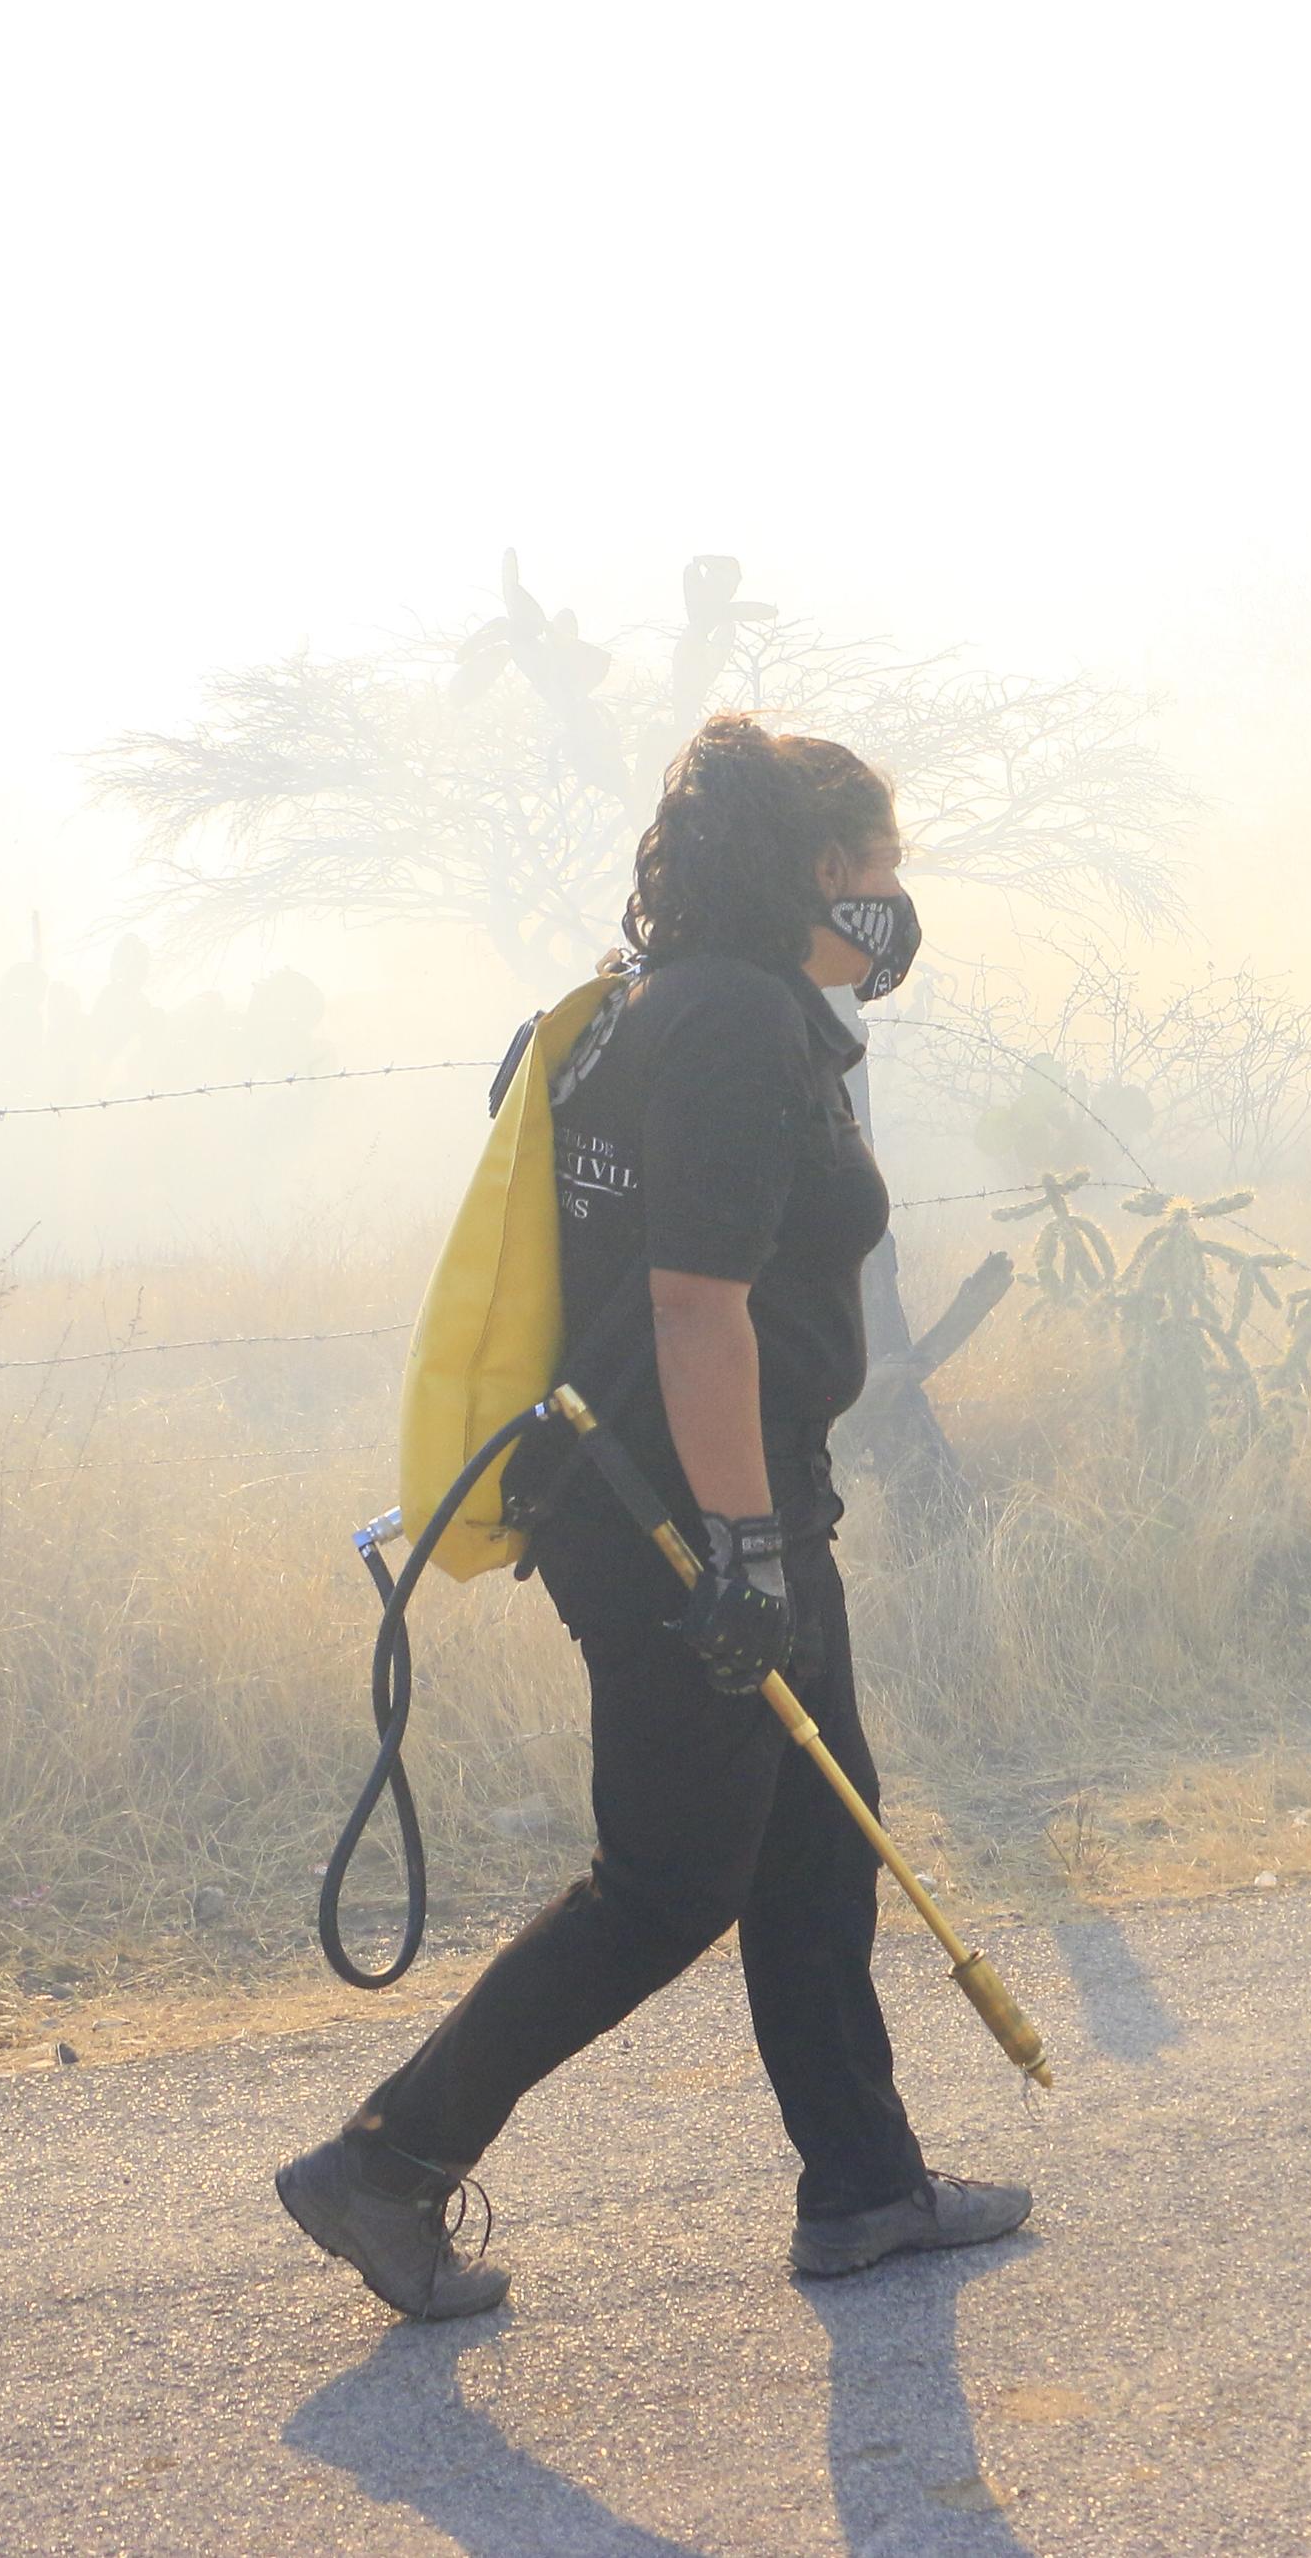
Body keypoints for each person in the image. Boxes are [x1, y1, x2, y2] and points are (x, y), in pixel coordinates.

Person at [277, 714, 1027, 2320]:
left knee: (824, 1832)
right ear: (823, 869)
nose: (898, 892)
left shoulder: (651, 1008)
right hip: (686, 1521)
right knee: (669, 1880)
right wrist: (747, 1557)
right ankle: (386, 2164)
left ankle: (869, 2189)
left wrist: (768, 1533)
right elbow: (697, 1307)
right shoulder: (744, 1028)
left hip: (704, 1498)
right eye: (883, 861)